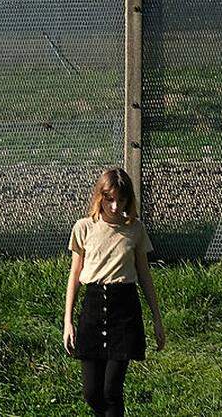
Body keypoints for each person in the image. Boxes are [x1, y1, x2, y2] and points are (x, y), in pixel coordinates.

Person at [62, 168, 165, 417]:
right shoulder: (84, 228)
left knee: (112, 391)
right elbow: (74, 275)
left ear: (129, 199)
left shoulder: (135, 229)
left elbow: (144, 276)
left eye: (122, 199)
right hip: (93, 310)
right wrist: (68, 321)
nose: (116, 206)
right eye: (110, 199)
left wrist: (157, 320)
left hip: (125, 311)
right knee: (91, 392)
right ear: (100, 197)